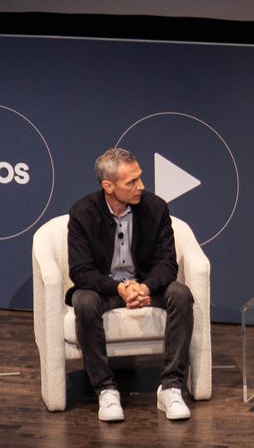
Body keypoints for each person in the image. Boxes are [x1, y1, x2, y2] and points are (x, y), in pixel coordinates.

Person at [65, 147, 194, 422]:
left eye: (140, 178)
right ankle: (106, 389)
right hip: (106, 289)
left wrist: (144, 287)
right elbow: (81, 271)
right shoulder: (82, 213)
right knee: (84, 302)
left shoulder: (156, 208)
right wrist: (119, 289)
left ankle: (171, 386)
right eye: (132, 182)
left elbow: (167, 263)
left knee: (181, 294)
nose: (141, 186)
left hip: (146, 286)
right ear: (108, 186)